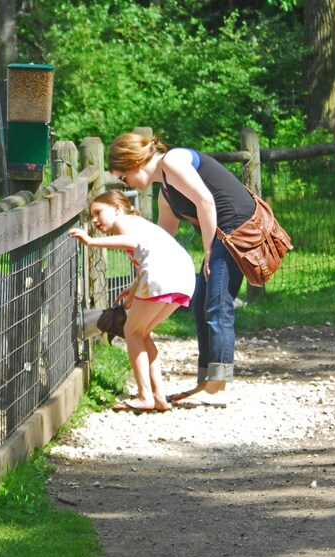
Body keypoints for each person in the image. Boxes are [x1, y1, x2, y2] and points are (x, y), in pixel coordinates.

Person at [108, 131, 256, 408]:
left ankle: (217, 388)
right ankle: (206, 382)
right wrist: (141, 281)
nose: (125, 183)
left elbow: (206, 202)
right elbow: (161, 244)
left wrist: (209, 248)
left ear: (134, 163)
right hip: (221, 234)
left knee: (217, 304)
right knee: (201, 302)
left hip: (235, 229)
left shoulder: (173, 162)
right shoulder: (165, 191)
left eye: (123, 176)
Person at [69, 190, 194, 412]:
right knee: (142, 332)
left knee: (132, 331)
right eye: (92, 216)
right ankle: (159, 396)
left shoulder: (125, 223)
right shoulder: (138, 223)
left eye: (98, 212)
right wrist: (134, 287)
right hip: (183, 277)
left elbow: (133, 242)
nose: (95, 220)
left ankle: (145, 396)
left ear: (117, 209)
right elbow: (146, 252)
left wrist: (90, 242)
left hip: (163, 274)